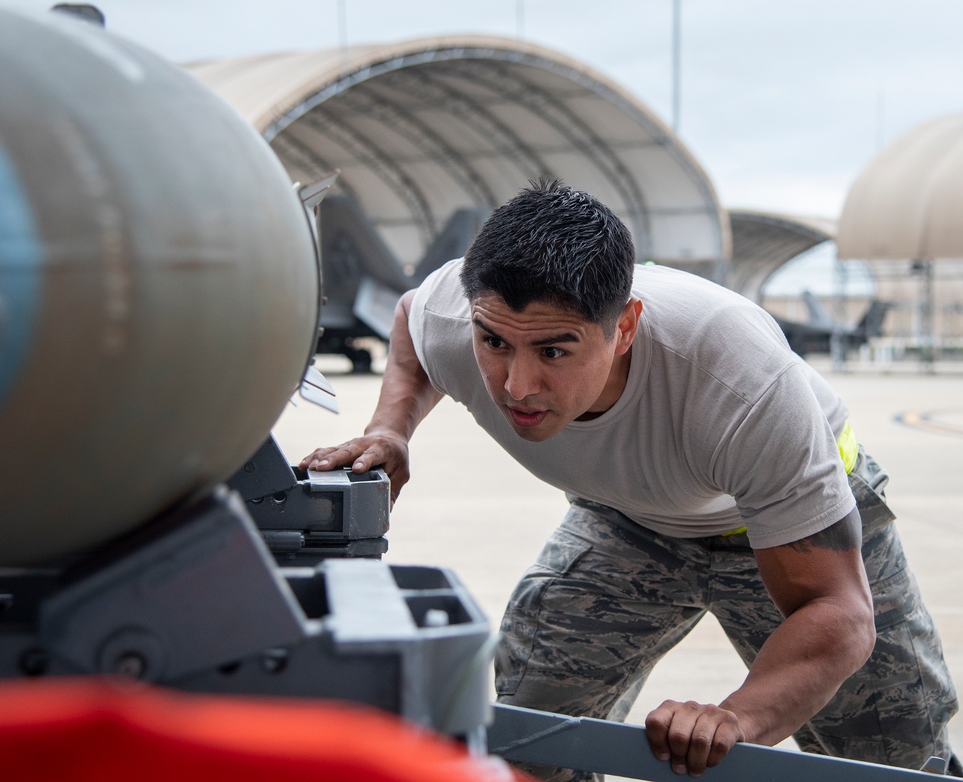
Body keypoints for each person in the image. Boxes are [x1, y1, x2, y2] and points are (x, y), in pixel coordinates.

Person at [300, 179, 959, 780]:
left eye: (554, 350)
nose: (515, 387)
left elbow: (838, 613)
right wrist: (391, 428)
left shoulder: (738, 381)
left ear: (625, 328)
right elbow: (413, 317)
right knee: (530, 734)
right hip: (629, 519)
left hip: (785, 515)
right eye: (494, 343)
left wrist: (737, 718)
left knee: (895, 749)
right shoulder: (456, 317)